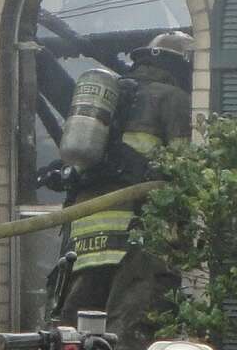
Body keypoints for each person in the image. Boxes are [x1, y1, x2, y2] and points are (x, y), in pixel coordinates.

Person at [44, 31, 193, 350]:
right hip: (138, 235)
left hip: (85, 238)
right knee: (129, 331)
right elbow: (185, 172)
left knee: (78, 334)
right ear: (183, 67)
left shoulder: (114, 102)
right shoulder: (173, 98)